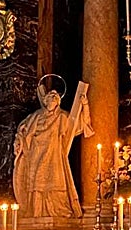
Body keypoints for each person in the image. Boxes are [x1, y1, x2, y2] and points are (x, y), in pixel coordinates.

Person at [13, 75, 92, 219]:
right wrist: (20, 138)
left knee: (55, 182)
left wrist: (85, 105)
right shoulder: (35, 116)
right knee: (36, 185)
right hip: (35, 154)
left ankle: (57, 210)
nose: (52, 100)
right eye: (50, 98)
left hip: (53, 154)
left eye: (55, 99)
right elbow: (22, 132)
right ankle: (35, 213)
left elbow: (81, 125)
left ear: (58, 103)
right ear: (44, 101)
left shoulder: (62, 117)